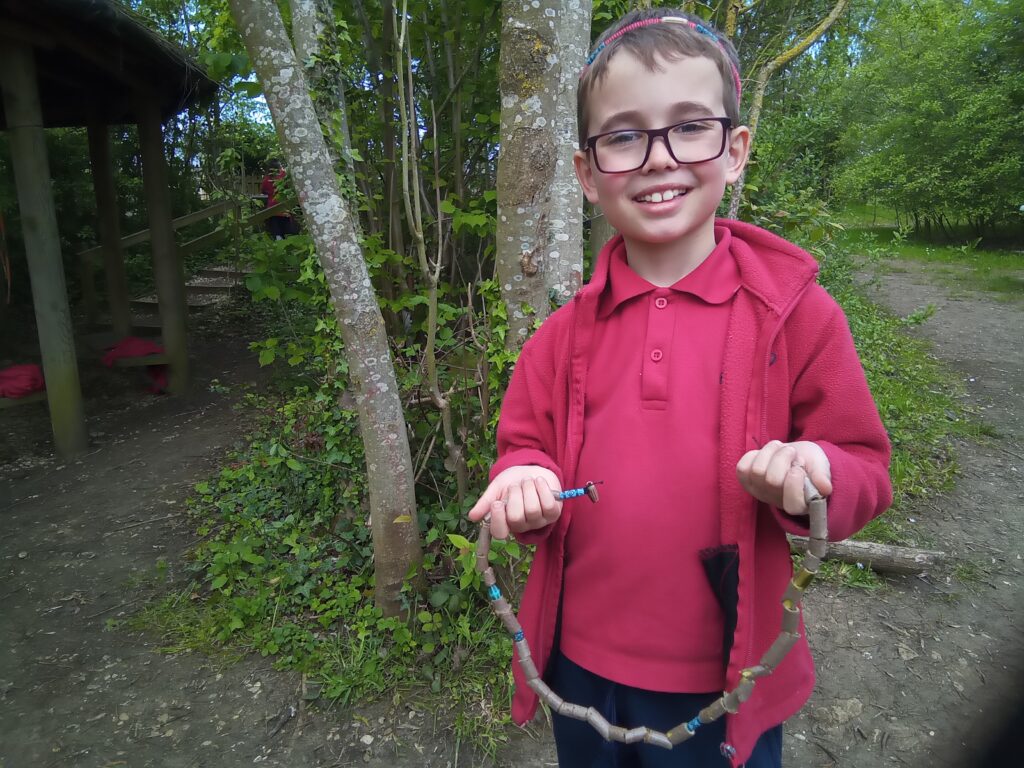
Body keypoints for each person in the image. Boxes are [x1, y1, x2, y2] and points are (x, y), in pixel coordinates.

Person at [467, 8, 892, 768]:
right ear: (587, 173)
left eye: (689, 127)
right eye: (624, 135)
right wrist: (522, 483)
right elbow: (523, 452)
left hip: (727, 680)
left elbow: (863, 463)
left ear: (735, 152)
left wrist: (817, 476)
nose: (659, 158)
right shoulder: (559, 339)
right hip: (580, 668)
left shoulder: (797, 317)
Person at [260, 159, 294, 239]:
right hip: (284, 207)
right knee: (288, 232)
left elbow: (264, 191)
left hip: (272, 209)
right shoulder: (284, 177)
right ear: (279, 167)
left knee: (277, 232)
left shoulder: (266, 180)